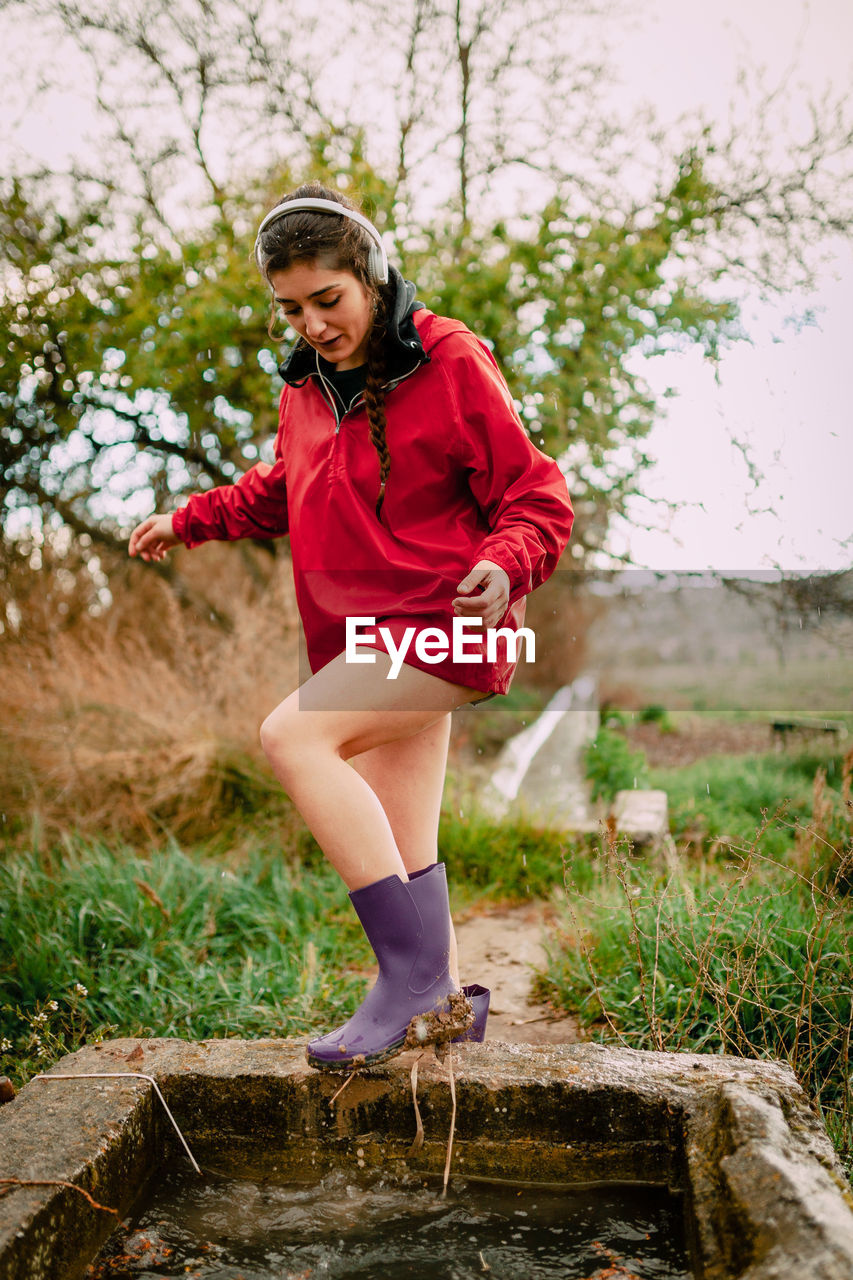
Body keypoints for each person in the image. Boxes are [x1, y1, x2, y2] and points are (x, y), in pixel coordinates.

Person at [128, 182, 574, 1070]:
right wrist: (192, 518)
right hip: (363, 636)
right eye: (289, 308)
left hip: (449, 626)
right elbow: (280, 487)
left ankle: (410, 986)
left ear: (369, 277)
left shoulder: (448, 358)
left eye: (326, 300)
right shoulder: (307, 386)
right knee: (407, 844)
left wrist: (506, 562)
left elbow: (535, 493)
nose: (312, 323)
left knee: (290, 738)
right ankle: (436, 1007)